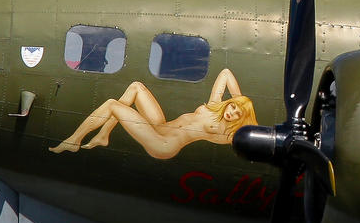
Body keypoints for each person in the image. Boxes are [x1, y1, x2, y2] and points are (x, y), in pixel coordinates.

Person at [49, 67, 256, 160]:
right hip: (160, 127)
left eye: (238, 114)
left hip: (164, 144)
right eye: (233, 107)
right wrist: (241, 100)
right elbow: (226, 73)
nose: (233, 113)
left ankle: (75, 140)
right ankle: (104, 135)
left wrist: (245, 116)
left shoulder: (225, 132)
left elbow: (249, 134)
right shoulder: (214, 105)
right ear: (228, 103)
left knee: (113, 104)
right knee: (136, 87)